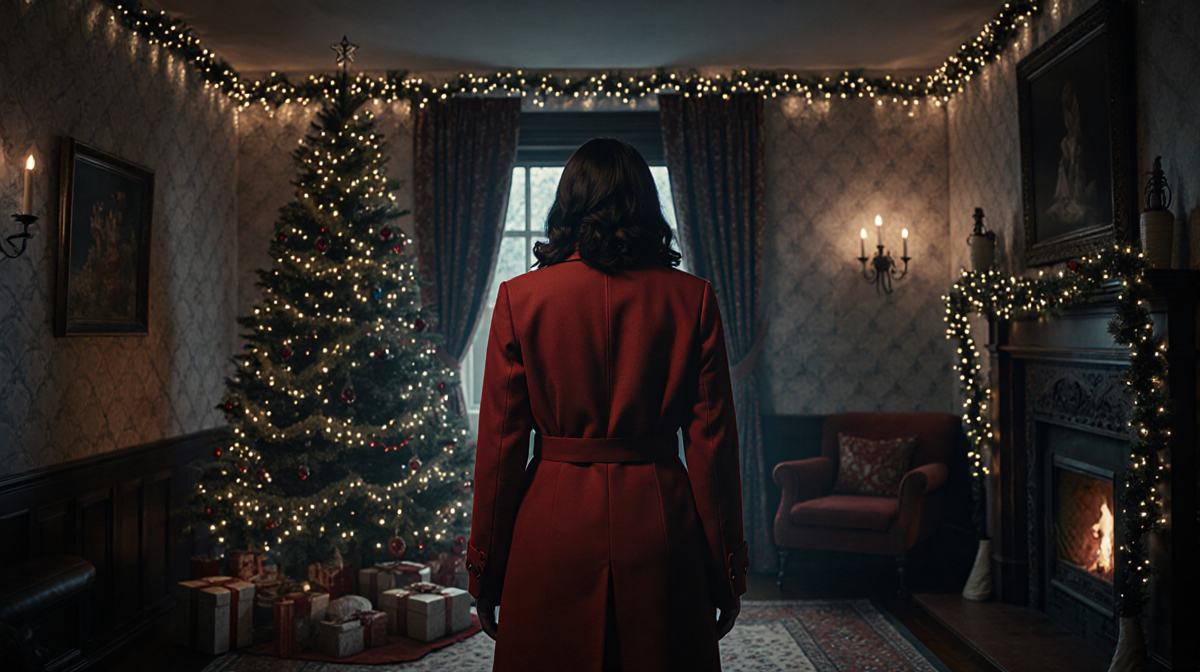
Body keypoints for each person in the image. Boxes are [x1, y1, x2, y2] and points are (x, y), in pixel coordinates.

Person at [466, 138, 748, 672]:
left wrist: (485, 572)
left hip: (550, 530)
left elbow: (499, 455)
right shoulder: (694, 299)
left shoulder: (519, 299)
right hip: (660, 524)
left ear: (566, 204)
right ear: (647, 204)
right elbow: (713, 453)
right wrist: (727, 572)